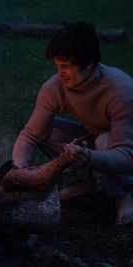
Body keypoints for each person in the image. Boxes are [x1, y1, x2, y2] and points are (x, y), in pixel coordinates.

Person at [12, 21, 133, 224]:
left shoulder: (121, 92)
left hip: (125, 146)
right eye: (58, 66)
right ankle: (85, 182)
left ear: (89, 63)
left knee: (104, 141)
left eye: (66, 67)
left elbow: (127, 156)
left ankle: (124, 195)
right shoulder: (55, 87)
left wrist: (89, 157)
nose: (60, 74)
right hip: (96, 140)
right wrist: (18, 174)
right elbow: (30, 135)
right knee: (47, 130)